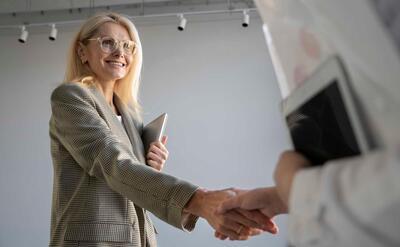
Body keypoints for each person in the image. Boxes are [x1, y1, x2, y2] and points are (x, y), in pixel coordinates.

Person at [48, 12, 275, 247]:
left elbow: (130, 178)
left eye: (128, 46)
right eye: (108, 43)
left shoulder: (129, 114)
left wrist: (149, 166)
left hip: (139, 238)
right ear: (82, 51)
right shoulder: (70, 98)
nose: (120, 52)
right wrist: (200, 200)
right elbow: (111, 163)